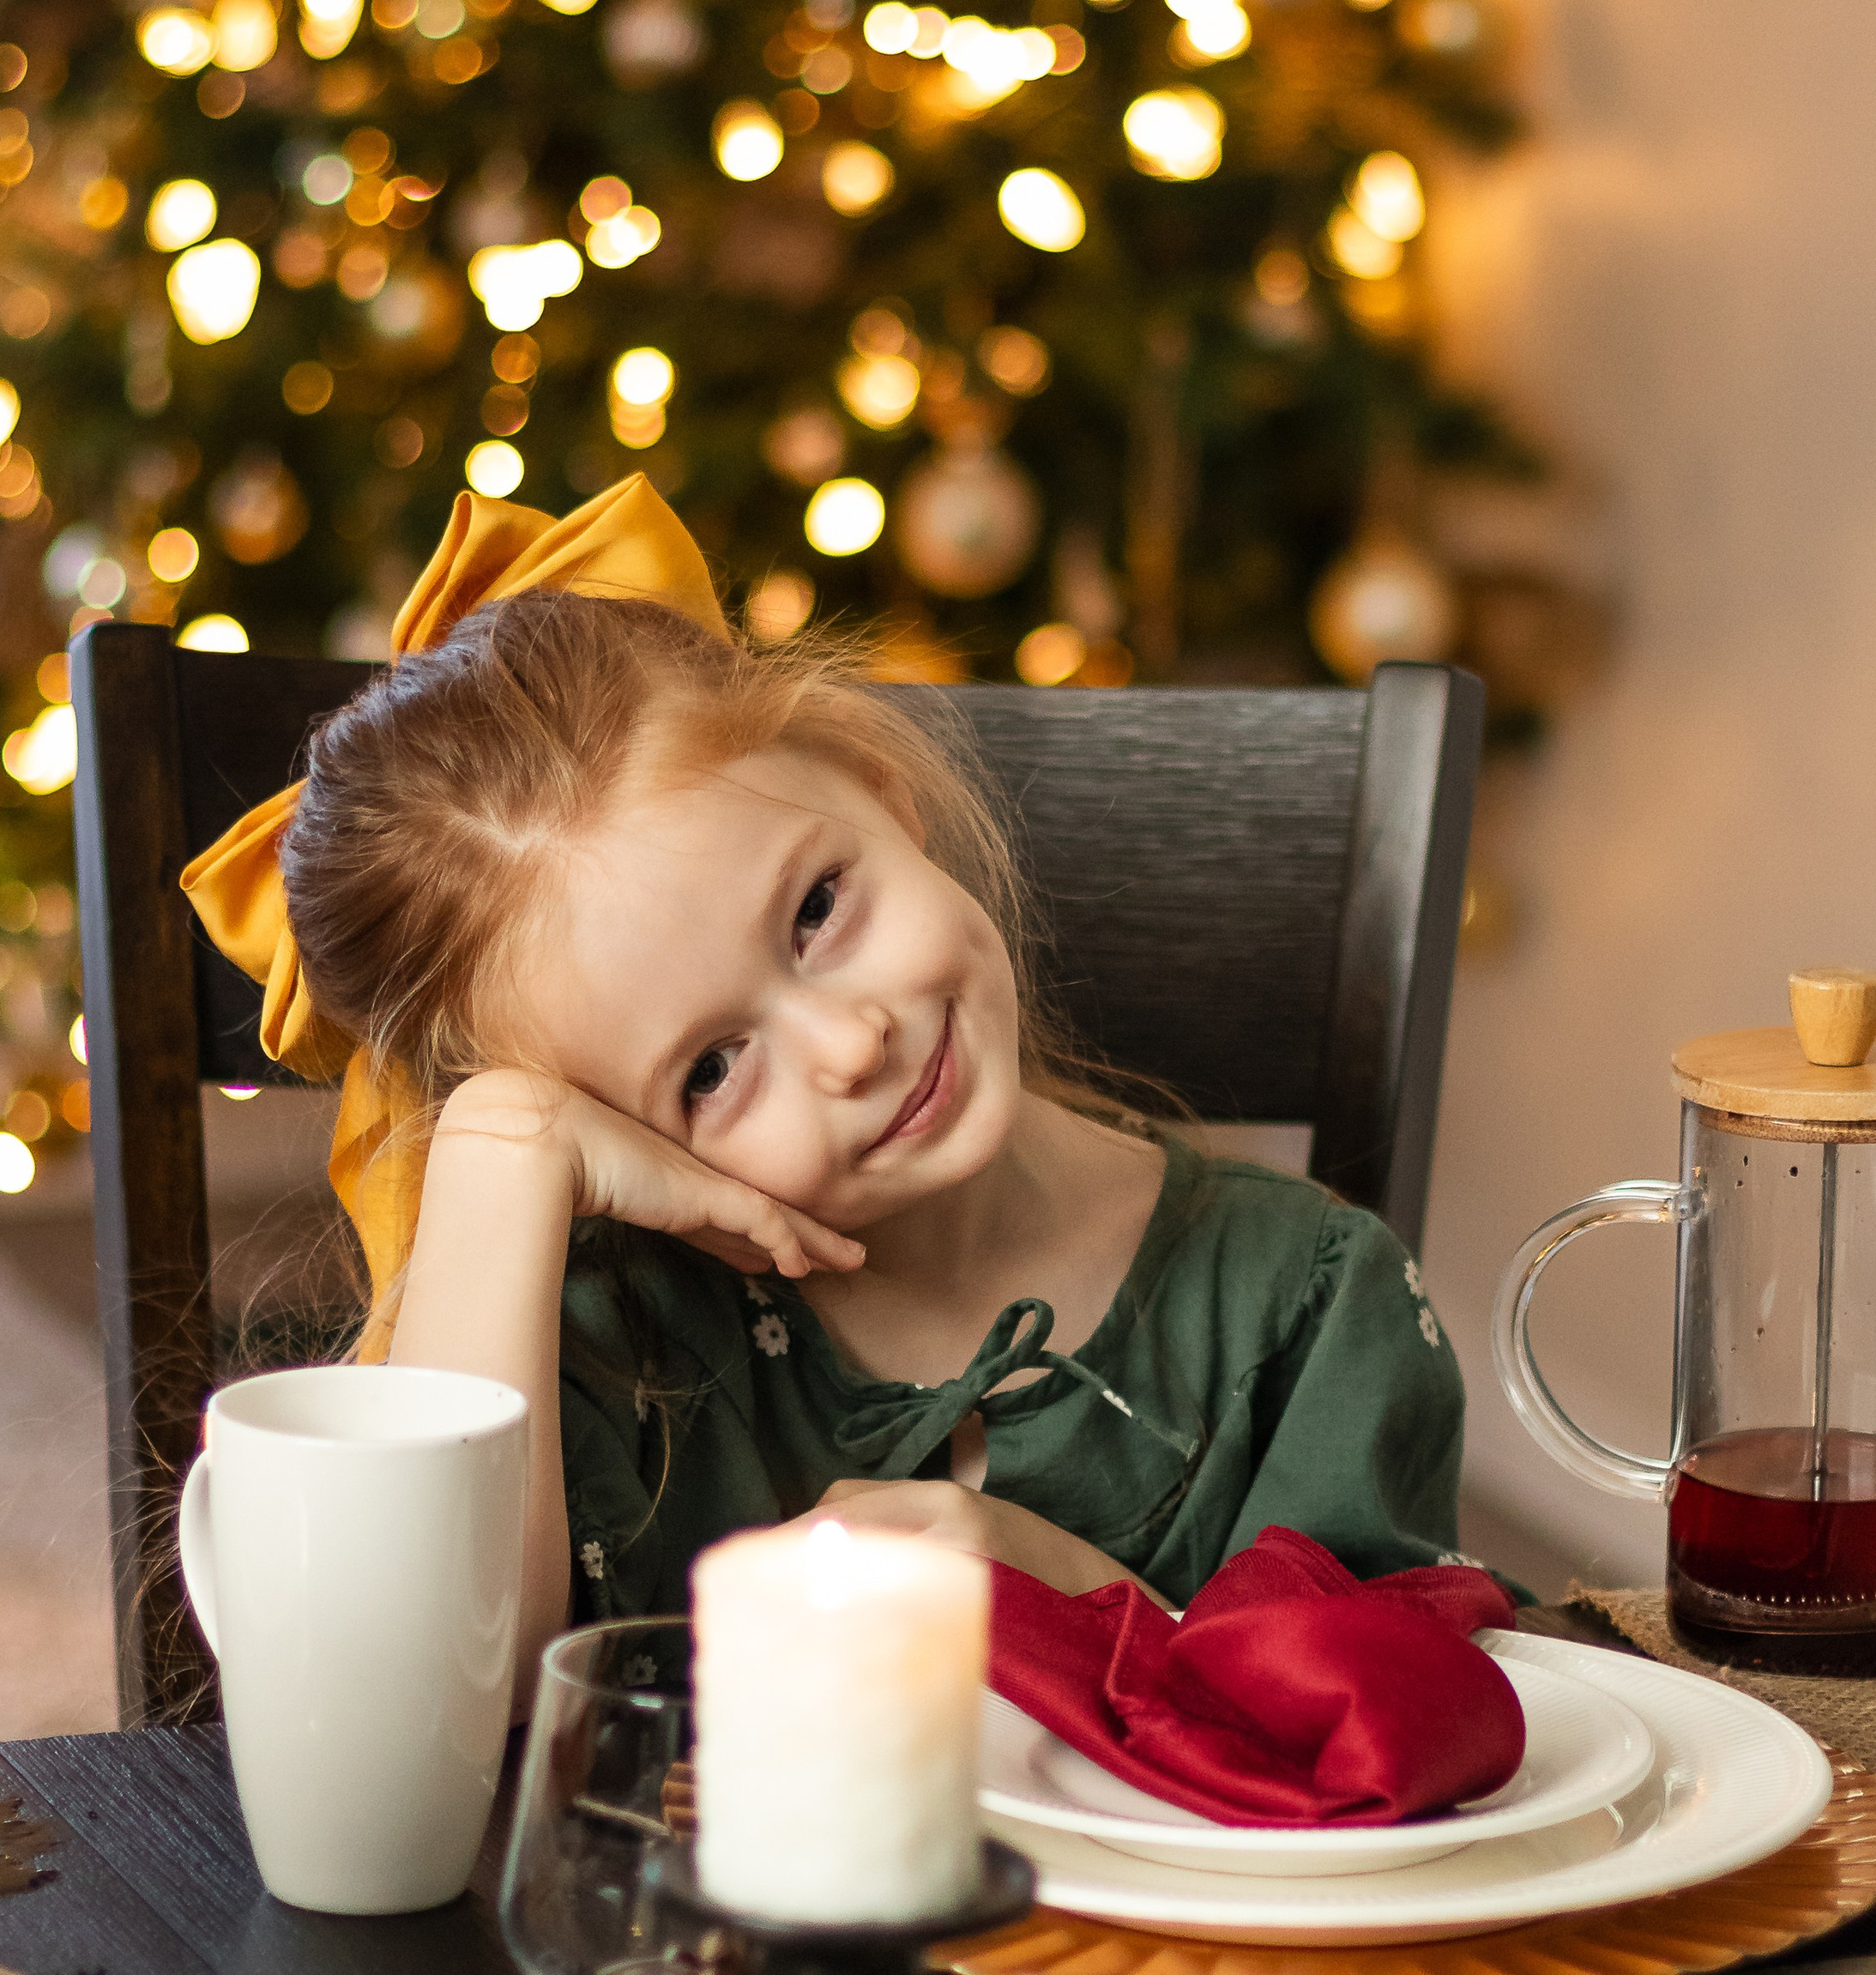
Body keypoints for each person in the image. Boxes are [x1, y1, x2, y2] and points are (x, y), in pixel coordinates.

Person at [186, 480, 1469, 1708]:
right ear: (619, 1138)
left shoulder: (1310, 1309)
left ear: (883, 791)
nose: (850, 1045)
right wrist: (500, 1140)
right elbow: (429, 1724)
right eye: (709, 1068)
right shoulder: (607, 1345)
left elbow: (1413, 1749)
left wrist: (1069, 1592)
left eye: (816, 908)